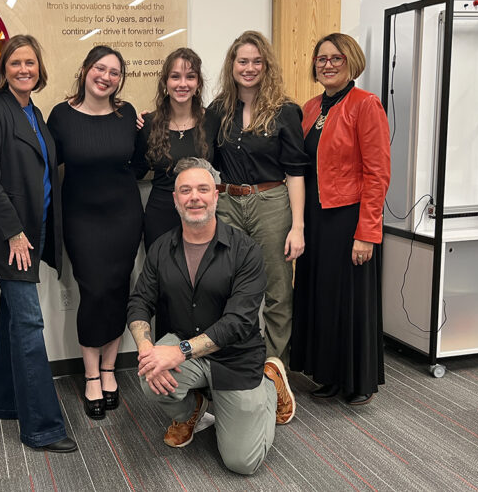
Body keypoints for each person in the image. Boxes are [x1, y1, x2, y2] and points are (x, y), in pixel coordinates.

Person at [127, 157, 295, 475]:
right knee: (150, 375)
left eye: (203, 189)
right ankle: (194, 410)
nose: (195, 197)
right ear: (175, 199)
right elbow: (139, 302)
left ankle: (269, 385)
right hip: (187, 350)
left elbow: (237, 324)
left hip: (236, 359)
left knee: (242, 462)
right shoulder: (162, 249)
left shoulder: (245, 250)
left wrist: (178, 351)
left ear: (216, 195)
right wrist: (148, 350)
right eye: (185, 190)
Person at [0, 35, 77, 453]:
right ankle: (42, 428)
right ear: (4, 70)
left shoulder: (33, 111)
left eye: (30, 62)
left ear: (39, 69)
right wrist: (14, 232)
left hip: (34, 229)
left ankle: (8, 403)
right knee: (29, 324)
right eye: (15, 63)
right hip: (11, 236)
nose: (24, 69)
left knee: (13, 318)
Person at [290, 33, 391, 406]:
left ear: (351, 62)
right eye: (321, 59)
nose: (328, 64)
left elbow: (378, 173)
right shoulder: (312, 107)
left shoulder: (366, 104)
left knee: (349, 300)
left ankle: (357, 381)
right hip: (316, 217)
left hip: (349, 218)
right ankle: (330, 376)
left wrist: (367, 232)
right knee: (323, 297)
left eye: (336, 58)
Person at [47, 46, 143, 420]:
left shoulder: (127, 114)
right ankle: (90, 374)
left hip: (124, 215)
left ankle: (109, 368)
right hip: (81, 217)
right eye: (100, 69)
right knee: (93, 290)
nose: (106, 77)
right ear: (86, 70)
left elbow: (138, 162)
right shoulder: (61, 115)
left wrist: (147, 125)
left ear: (120, 80)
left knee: (119, 287)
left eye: (114, 72)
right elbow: (46, 163)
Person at [206, 31, 309, 363]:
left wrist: (298, 226)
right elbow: (205, 162)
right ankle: (237, 360)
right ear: (232, 65)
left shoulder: (285, 110)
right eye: (242, 61)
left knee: (277, 291)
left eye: (256, 62)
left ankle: (274, 367)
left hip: (272, 204)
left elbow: (295, 171)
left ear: (266, 66)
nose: (249, 68)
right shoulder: (218, 109)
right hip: (228, 204)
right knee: (226, 286)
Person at [132, 48, 218, 252]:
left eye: (190, 77)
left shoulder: (213, 120)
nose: (182, 84)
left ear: (198, 83)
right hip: (161, 215)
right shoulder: (148, 124)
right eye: (175, 77)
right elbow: (136, 170)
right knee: (163, 277)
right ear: (165, 82)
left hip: (202, 213)